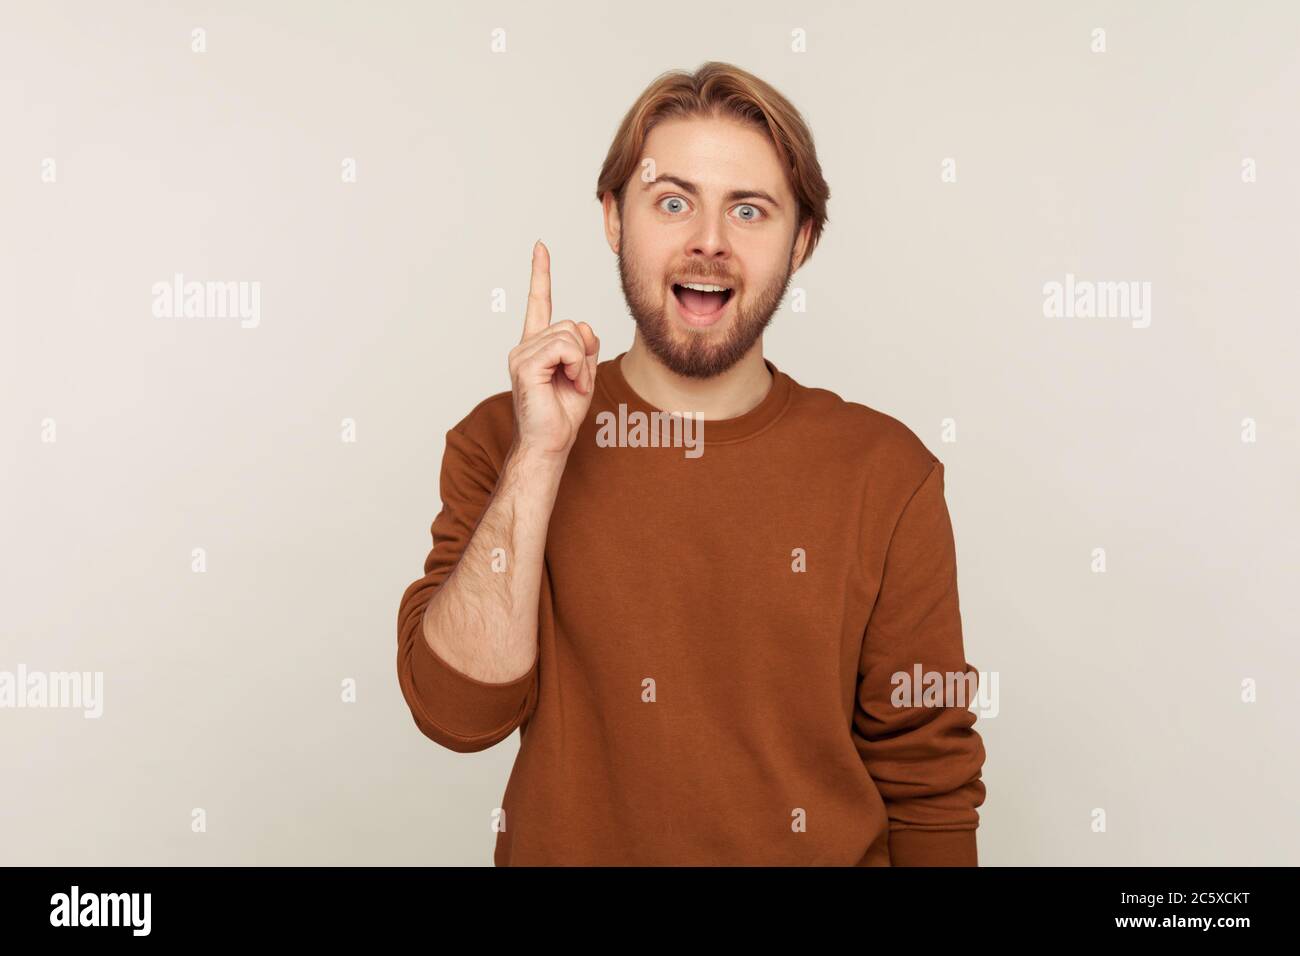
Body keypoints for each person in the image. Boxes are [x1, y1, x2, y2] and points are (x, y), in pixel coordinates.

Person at [397, 61, 987, 866]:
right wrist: (539, 457)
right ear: (613, 218)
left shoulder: (887, 473)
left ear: (802, 241)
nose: (708, 240)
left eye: (749, 210)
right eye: (672, 202)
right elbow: (454, 712)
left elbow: (931, 779)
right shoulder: (503, 441)